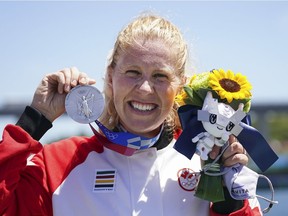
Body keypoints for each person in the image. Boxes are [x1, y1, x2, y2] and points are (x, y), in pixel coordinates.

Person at [0, 14, 262, 216]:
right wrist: (35, 119)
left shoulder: (211, 162)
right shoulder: (57, 164)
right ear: (111, 76)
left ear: (180, 86)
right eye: (133, 72)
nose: (145, 88)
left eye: (160, 76)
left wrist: (229, 202)